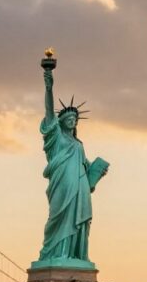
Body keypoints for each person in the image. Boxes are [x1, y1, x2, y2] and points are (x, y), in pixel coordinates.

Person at [35, 68, 109, 267]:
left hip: (80, 186)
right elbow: (49, 113)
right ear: (60, 122)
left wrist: (97, 170)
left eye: (74, 120)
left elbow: (85, 165)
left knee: (80, 221)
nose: (72, 121)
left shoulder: (78, 144)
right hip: (62, 183)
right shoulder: (56, 138)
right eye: (68, 119)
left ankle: (75, 256)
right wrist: (49, 87)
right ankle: (55, 253)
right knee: (58, 216)